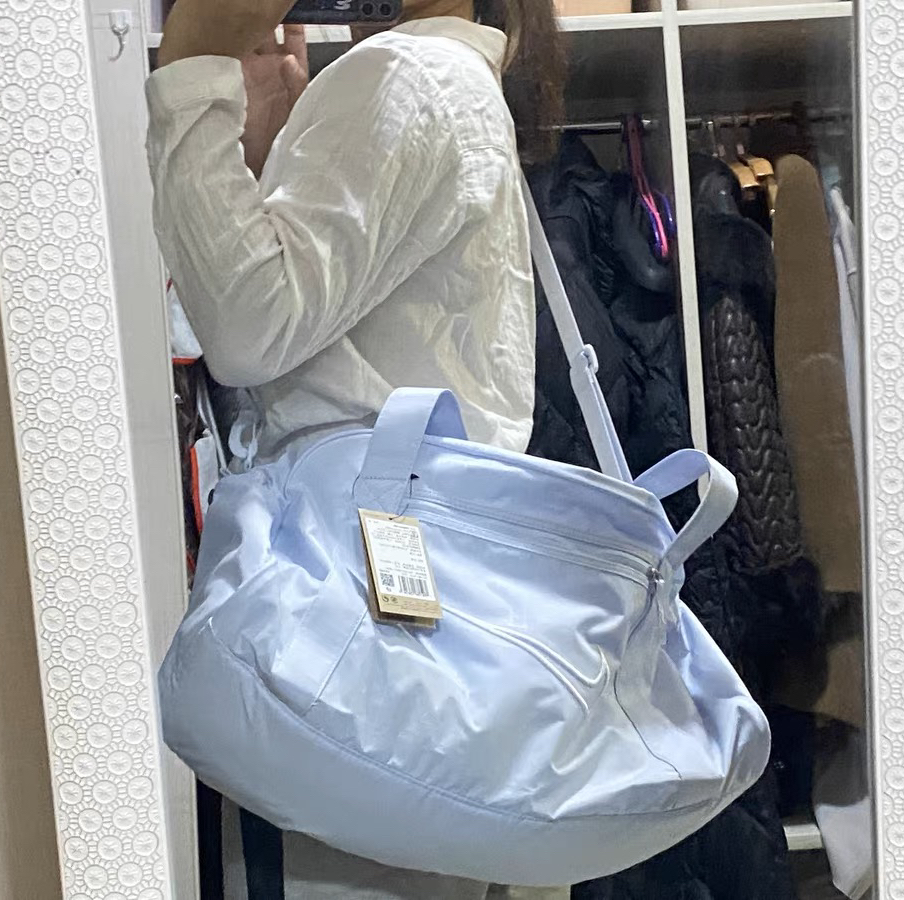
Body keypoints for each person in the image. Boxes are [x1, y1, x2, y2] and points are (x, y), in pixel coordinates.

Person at [147, 0, 567, 896]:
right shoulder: (454, 79)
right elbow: (329, 333)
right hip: (413, 618)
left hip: (348, 613)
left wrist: (191, 68)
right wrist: (272, 157)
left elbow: (250, 329)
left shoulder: (407, 77)